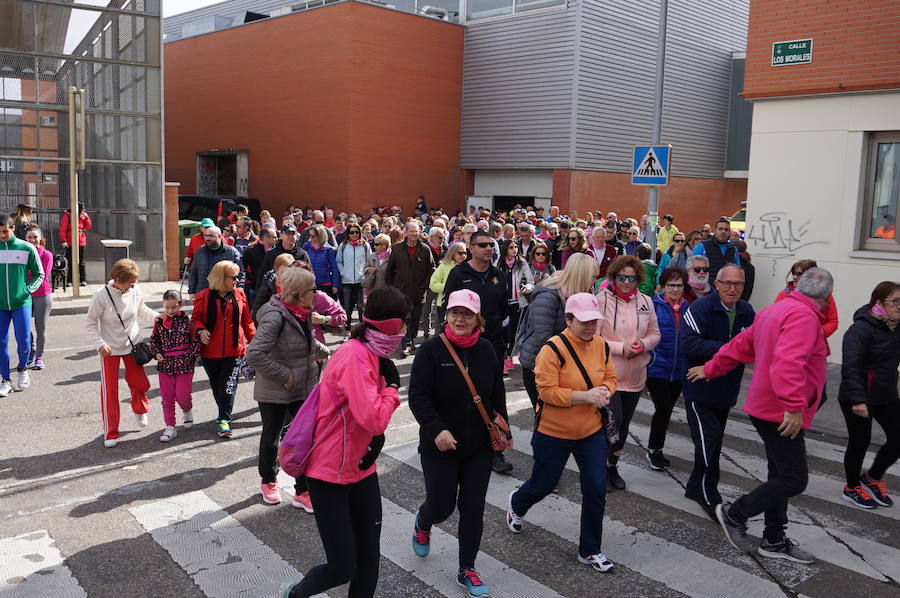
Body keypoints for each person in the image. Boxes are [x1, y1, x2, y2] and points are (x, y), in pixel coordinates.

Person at [690, 268, 834, 565]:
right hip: (781, 411)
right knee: (794, 479)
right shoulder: (803, 317)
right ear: (827, 297)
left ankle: (774, 538)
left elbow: (740, 346)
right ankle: (734, 514)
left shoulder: (775, 310)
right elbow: (788, 365)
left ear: (796, 286)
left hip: (769, 408)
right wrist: (794, 406)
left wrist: (711, 368)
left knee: (779, 474)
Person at [278, 288, 408, 598]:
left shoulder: (373, 351)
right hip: (328, 475)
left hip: (361, 469)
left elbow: (364, 420)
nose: (405, 331)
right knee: (342, 566)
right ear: (391, 326)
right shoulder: (355, 355)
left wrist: (376, 439)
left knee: (369, 561)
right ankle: (294, 594)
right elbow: (373, 417)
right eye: (403, 324)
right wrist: (391, 389)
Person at [507, 293, 617, 573]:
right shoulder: (552, 350)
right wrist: (586, 396)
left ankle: (590, 550)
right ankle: (518, 503)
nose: (591, 326)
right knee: (543, 484)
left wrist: (606, 391)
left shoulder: (601, 345)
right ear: (568, 320)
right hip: (553, 432)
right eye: (584, 321)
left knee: (595, 489)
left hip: (590, 430)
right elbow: (546, 393)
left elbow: (611, 377)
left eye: (594, 320)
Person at [408, 290, 508, 597]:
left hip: (477, 446)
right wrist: (437, 430)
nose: (460, 319)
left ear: (478, 318)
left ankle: (468, 569)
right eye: (455, 313)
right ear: (445, 315)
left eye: (467, 314)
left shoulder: (487, 350)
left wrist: (503, 426)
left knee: (473, 507)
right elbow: (418, 397)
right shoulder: (431, 350)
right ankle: (424, 522)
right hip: (440, 446)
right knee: (441, 506)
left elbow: (495, 391)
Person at [247, 267, 330, 512]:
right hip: (275, 390)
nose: (316, 293)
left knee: (304, 438)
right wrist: (285, 376)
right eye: (312, 290)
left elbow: (305, 343)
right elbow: (254, 354)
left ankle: (302, 491)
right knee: (272, 438)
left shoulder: (303, 312)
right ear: (298, 293)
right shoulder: (275, 317)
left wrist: (327, 354)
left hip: (301, 388)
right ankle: (268, 481)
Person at [680, 264, 755, 518]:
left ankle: (693, 486)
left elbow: (753, 346)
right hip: (699, 389)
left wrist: (732, 351)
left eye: (738, 284)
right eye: (728, 283)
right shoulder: (700, 308)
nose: (733, 289)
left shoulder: (746, 311)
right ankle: (708, 493)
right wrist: (730, 347)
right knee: (708, 443)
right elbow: (688, 344)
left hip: (727, 390)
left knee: (712, 442)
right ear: (717, 284)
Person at [440, 229, 511, 473]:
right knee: (462, 392)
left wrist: (501, 338)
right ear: (471, 248)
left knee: (494, 394)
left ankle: (497, 448)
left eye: (491, 244)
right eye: (482, 245)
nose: (488, 249)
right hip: (461, 345)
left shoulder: (498, 275)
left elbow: (504, 310)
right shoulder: (458, 273)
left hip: (492, 344)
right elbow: (447, 309)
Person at [596, 255, 660, 490]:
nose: (626, 282)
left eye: (631, 278)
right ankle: (597, 468)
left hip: (635, 375)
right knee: (613, 421)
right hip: (608, 374)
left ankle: (612, 467)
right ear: (613, 276)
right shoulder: (601, 299)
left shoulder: (645, 301)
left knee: (623, 428)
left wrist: (643, 345)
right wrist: (621, 348)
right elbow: (594, 338)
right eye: (622, 277)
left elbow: (655, 333)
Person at [838, 281, 900, 509]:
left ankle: (872, 477)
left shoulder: (896, 327)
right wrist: (857, 399)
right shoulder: (860, 330)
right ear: (879, 303)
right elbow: (850, 367)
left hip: (886, 394)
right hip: (857, 396)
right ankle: (852, 487)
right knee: (859, 442)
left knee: (898, 438)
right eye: (896, 301)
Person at [85, 259, 158, 447]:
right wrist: (99, 344)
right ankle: (111, 432)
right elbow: (91, 322)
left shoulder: (135, 290)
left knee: (140, 383)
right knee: (109, 391)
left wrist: (157, 317)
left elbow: (142, 310)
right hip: (109, 349)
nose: (133, 285)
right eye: (129, 282)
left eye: (134, 282)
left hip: (133, 344)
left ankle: (140, 408)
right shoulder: (101, 296)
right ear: (117, 279)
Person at [514, 253, 599, 408]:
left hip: (563, 364)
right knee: (547, 418)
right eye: (593, 276)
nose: (595, 281)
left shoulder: (580, 293)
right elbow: (543, 338)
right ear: (581, 276)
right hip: (539, 364)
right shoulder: (548, 296)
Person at [191, 260, 256, 439]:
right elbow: (195, 319)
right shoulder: (203, 296)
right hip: (209, 352)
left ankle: (223, 420)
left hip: (235, 349)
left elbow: (247, 321)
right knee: (216, 385)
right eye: (233, 277)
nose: (237, 279)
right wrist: (200, 329)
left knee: (229, 385)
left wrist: (256, 342)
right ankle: (223, 414)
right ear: (221, 278)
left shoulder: (240, 294)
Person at [644, 267, 690, 470]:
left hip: (679, 369)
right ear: (662, 287)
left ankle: (657, 449)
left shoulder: (689, 308)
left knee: (667, 410)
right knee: (662, 408)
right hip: (657, 368)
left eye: (679, 285)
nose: (675, 289)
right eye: (671, 285)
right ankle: (653, 450)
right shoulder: (653, 306)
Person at [148, 290, 200, 443]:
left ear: (180, 305)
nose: (170, 311)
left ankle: (187, 409)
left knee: (182, 395)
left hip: (184, 364)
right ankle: (170, 426)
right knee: (167, 398)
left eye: (173, 307)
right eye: (167, 308)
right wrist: (156, 352)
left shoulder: (188, 322)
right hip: (165, 365)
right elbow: (154, 340)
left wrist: (189, 356)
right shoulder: (159, 322)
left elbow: (196, 342)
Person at [0, 218, 44, 395]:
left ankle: (22, 369)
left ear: (12, 228)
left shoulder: (26, 248)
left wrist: (27, 290)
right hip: (0, 305)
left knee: (24, 340)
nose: (2, 235)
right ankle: (5, 379)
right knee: (1, 342)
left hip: (21, 303)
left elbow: (39, 274)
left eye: (5, 231)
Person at [385, 220, 435, 356]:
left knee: (415, 318)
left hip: (419, 292)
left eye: (416, 231)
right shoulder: (397, 248)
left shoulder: (425, 249)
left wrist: (424, 287)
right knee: (404, 318)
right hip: (400, 292)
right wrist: (391, 289)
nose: (414, 234)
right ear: (405, 232)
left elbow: (431, 270)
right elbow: (389, 270)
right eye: (411, 231)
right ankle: (405, 343)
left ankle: (411, 339)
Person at [496, 239, 533, 374]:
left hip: (518, 303)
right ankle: (504, 358)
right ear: (505, 249)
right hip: (503, 304)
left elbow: (530, 281)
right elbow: (493, 279)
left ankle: (509, 358)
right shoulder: (499, 264)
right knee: (504, 332)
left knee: (514, 333)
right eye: (511, 247)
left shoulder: (522, 264)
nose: (514, 249)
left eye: (516, 247)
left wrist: (527, 288)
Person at [25, 226, 53, 370]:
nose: (32, 240)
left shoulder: (46, 255)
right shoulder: (22, 254)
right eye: (29, 237)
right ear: (25, 239)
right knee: (24, 326)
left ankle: (39, 357)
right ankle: (31, 349)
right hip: (25, 295)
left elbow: (42, 275)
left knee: (40, 328)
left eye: (35, 237)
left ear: (40, 239)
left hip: (43, 294)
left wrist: (28, 276)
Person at [188, 226, 243, 297]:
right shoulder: (200, 251)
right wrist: (191, 292)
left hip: (225, 295)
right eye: (206, 235)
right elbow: (194, 272)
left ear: (219, 236)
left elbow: (240, 272)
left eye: (211, 236)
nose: (207, 238)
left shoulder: (231, 252)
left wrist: (239, 289)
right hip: (204, 294)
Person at [337, 223, 371, 331]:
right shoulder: (343, 246)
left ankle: (362, 328)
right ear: (348, 233)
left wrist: (365, 273)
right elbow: (338, 261)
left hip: (360, 281)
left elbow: (369, 260)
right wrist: (343, 272)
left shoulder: (365, 245)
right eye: (352, 232)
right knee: (347, 306)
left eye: (357, 232)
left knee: (361, 306)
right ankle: (347, 327)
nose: (354, 234)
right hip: (346, 280)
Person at [428, 242, 467, 326]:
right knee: (442, 331)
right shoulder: (444, 266)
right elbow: (433, 284)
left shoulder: (468, 267)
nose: (463, 255)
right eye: (460, 253)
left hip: (464, 304)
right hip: (445, 304)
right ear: (453, 253)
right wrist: (448, 287)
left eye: (465, 253)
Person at [691, 217, 740, 282]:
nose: (723, 232)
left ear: (729, 232)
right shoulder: (702, 246)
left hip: (726, 288)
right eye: (720, 229)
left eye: (726, 229)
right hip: (706, 288)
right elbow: (692, 269)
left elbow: (737, 271)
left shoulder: (733, 249)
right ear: (715, 231)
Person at [421, 227, 446, 338]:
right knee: (427, 310)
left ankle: (438, 335)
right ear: (431, 237)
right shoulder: (423, 248)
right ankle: (427, 334)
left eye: (443, 237)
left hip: (441, 284)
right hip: (428, 284)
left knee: (440, 309)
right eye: (440, 237)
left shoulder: (445, 248)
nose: (442, 240)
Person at [303, 224, 340, 297]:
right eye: (310, 236)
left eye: (313, 236)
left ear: (320, 236)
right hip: (310, 284)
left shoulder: (329, 249)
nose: (311, 238)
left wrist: (335, 285)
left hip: (325, 284)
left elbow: (334, 267)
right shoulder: (306, 246)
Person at [59, 202, 91, 285]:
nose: (83, 211)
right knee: (70, 261)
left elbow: (88, 226)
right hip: (70, 242)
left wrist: (86, 217)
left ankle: (82, 280)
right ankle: (69, 280)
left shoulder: (82, 216)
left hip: (81, 241)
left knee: (81, 261)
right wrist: (63, 241)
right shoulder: (67, 216)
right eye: (82, 209)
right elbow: (63, 229)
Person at [242, 226, 276, 302]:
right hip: (255, 288)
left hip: (272, 289)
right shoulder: (251, 251)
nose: (276, 239)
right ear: (266, 238)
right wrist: (252, 277)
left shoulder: (275, 251)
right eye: (274, 237)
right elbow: (242, 268)